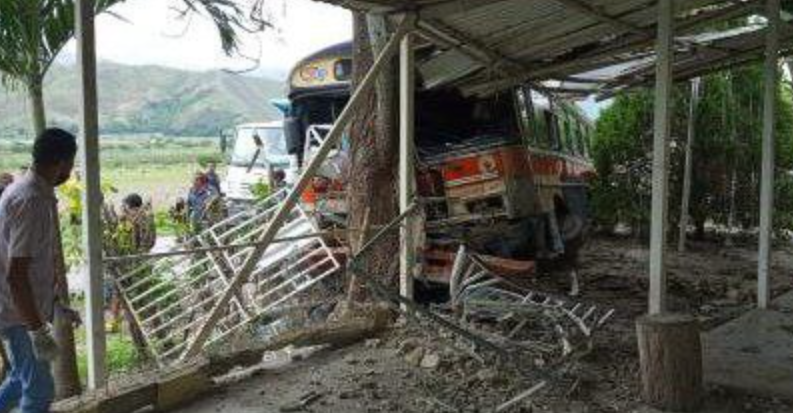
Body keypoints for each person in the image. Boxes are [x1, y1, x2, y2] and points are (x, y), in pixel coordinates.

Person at [0, 128, 80, 413]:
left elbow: (35, 267)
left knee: (21, 381)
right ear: (61, 162)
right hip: (18, 314)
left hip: (22, 309)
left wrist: (55, 304)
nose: (71, 170)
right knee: (39, 393)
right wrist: (36, 330)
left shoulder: (29, 192)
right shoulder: (30, 199)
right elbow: (16, 274)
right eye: (71, 163)